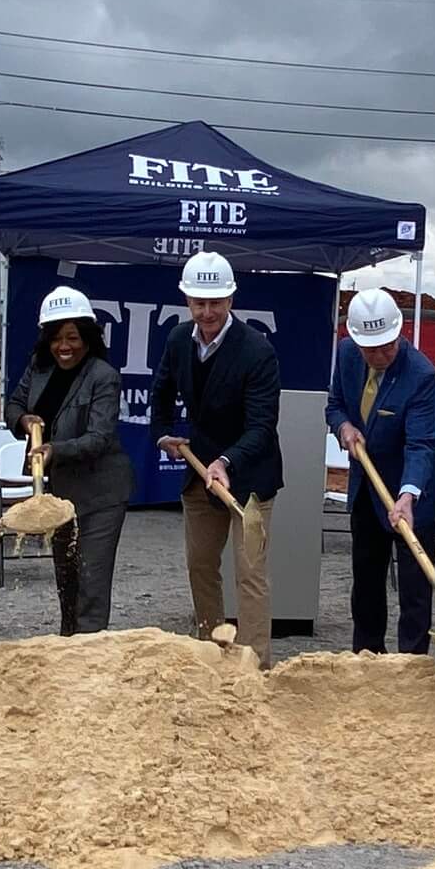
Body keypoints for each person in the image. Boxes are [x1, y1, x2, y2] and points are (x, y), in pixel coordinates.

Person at [149, 251, 282, 664]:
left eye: (215, 303)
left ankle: (254, 660)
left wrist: (226, 462)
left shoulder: (257, 351)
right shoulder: (177, 340)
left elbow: (262, 426)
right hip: (198, 475)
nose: (207, 312)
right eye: (198, 303)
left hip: (250, 478)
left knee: (250, 574)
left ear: (231, 301)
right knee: (201, 566)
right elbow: (160, 394)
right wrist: (164, 433)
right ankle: (212, 647)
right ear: (187, 301)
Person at [327, 287, 435, 655]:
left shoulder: (421, 374)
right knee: (366, 581)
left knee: (414, 587)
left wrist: (408, 493)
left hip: (416, 493)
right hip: (368, 487)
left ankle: (412, 664)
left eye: (389, 345)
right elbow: (335, 405)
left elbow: (422, 443)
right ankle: (367, 656)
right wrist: (343, 427)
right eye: (372, 348)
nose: (381, 355)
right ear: (355, 340)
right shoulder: (347, 354)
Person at [3, 283, 131, 635]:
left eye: (72, 337)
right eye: (56, 338)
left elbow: (99, 438)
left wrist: (55, 449)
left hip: (100, 495)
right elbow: (13, 405)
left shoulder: (103, 377)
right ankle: (68, 649)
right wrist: (24, 420)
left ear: (88, 338)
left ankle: (90, 655)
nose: (64, 346)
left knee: (91, 579)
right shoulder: (38, 368)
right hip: (60, 495)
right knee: (67, 579)